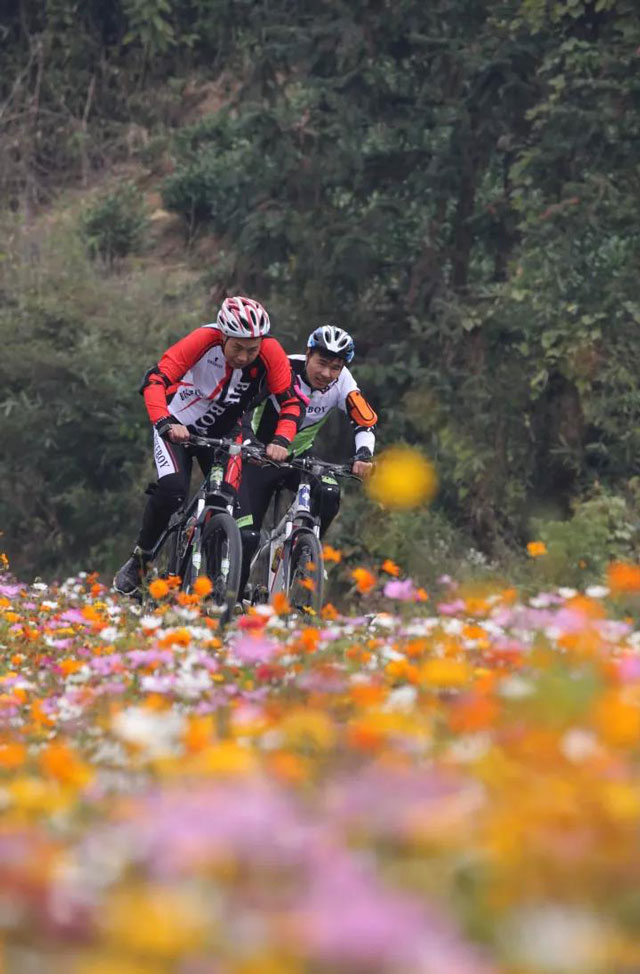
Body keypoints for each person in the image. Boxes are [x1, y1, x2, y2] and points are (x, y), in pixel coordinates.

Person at [113, 296, 304, 595]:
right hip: (178, 425)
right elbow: (155, 380)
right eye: (237, 348)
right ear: (223, 335)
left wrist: (281, 440)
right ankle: (141, 559)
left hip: (227, 431)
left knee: (231, 504)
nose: (243, 356)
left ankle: (218, 585)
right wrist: (164, 421)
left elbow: (291, 402)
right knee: (173, 489)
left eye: (251, 350)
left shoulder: (271, 352)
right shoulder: (203, 339)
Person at [236, 324, 377, 594]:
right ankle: (233, 597)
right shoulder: (282, 368)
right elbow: (242, 407)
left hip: (300, 456)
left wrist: (364, 455)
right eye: (321, 363)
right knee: (246, 536)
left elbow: (365, 423)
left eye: (334, 367)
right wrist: (249, 443)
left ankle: (307, 550)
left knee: (330, 491)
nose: (326, 373)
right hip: (258, 456)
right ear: (308, 354)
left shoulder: (344, 382)